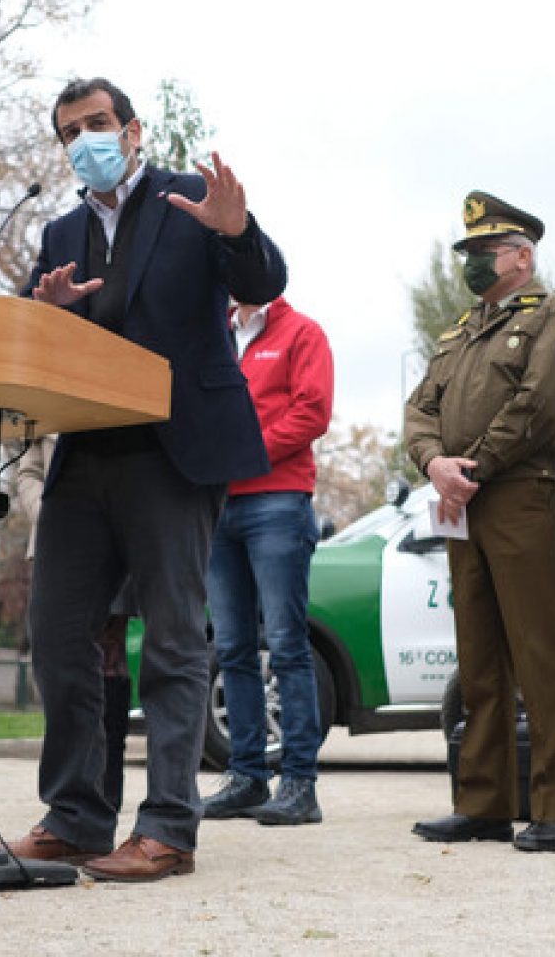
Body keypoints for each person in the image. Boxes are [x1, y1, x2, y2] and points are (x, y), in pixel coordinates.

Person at [8, 77, 286, 883]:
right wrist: (48, 318)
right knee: (59, 635)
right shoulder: (59, 231)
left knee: (170, 639)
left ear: (133, 131)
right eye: (70, 132)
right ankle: (76, 817)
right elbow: (47, 350)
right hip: (86, 452)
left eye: (98, 124)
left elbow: (262, 282)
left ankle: (169, 827)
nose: (85, 140)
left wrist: (238, 233)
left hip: (176, 450)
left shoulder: (190, 198)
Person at [404, 191, 555, 854]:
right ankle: (484, 802)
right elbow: (419, 409)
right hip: (464, 499)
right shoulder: (459, 333)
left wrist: (474, 465)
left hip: (521, 492)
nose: (475, 262)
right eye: (469, 253)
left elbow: (540, 402)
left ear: (522, 255)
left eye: (487, 251)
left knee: (542, 653)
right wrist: (436, 465)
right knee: (480, 658)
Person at [201, 296, 334, 825]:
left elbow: (312, 412)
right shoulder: (213, 334)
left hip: (277, 502)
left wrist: (244, 452)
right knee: (231, 646)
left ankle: (300, 783)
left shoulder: (303, 332)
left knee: (285, 644)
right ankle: (247, 777)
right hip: (216, 507)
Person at [16, 436, 133, 813]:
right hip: (56, 539)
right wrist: (51, 510)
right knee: (61, 658)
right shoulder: (48, 405)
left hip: (118, 531)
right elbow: (28, 469)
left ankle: (105, 794)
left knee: (108, 655)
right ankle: (73, 801)